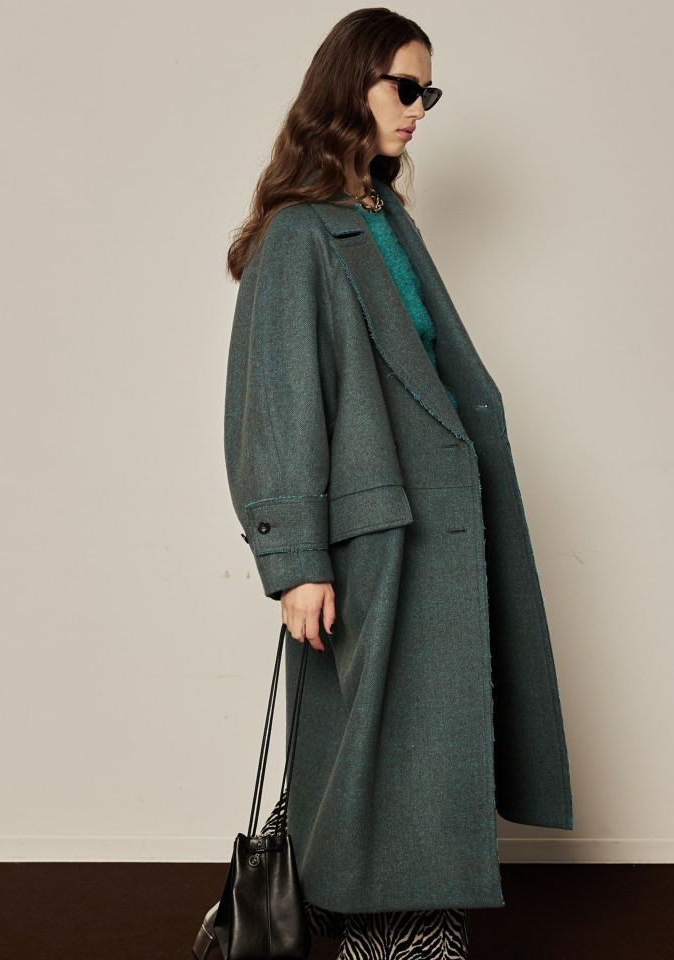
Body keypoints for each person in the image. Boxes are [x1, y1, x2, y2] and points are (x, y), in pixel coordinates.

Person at [210, 8, 574, 959]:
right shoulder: (300, 234)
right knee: (384, 761)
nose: (418, 108)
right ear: (351, 86)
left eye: (428, 92)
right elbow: (276, 403)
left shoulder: (380, 218)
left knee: (401, 757)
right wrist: (295, 560)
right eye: (404, 87)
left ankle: (370, 929)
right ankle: (386, 940)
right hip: (372, 542)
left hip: (432, 531)